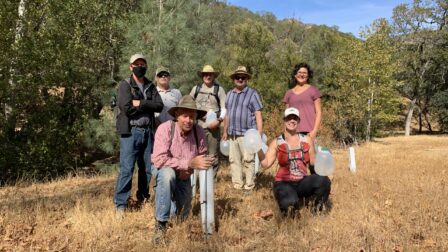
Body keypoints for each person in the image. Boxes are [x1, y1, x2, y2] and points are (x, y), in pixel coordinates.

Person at [151, 95, 214, 241]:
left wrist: (204, 162)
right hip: (165, 169)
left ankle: (169, 200)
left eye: (192, 116)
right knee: (167, 176)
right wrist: (189, 163)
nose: (188, 120)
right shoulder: (165, 129)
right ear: (177, 115)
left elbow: (201, 157)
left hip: (185, 176)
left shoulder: (199, 132)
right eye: (185, 115)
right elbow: (159, 159)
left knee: (181, 217)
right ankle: (160, 224)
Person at [257, 107, 331, 216]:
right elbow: (265, 164)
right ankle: (291, 200)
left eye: (295, 118)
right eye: (289, 118)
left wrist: (324, 157)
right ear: (284, 120)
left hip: (302, 182)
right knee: (290, 208)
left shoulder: (307, 139)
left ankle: (316, 211)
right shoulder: (276, 142)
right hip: (283, 183)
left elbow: (312, 161)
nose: (292, 120)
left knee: (324, 181)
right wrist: (257, 149)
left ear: (298, 121)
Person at [114, 54, 163, 213]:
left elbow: (159, 106)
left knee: (146, 169)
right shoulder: (125, 85)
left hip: (148, 132)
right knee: (127, 169)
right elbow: (126, 107)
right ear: (131, 67)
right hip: (130, 132)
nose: (140, 66)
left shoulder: (150, 85)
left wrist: (140, 103)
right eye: (137, 64)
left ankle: (143, 197)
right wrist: (147, 105)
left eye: (142, 64)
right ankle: (121, 204)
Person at [222, 66, 263, 190]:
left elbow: (258, 114)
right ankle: (237, 185)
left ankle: (249, 186)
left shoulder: (252, 94)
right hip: (232, 134)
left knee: (248, 160)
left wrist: (259, 134)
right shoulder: (229, 94)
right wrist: (225, 131)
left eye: (243, 77)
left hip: (247, 135)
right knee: (234, 161)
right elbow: (227, 114)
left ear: (247, 79)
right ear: (234, 79)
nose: (240, 79)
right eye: (237, 77)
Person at [189, 65, 226, 175]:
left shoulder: (219, 89)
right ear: (202, 76)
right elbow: (189, 104)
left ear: (214, 76)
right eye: (205, 74)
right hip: (197, 126)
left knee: (212, 155)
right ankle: (196, 182)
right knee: (196, 154)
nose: (208, 76)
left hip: (213, 128)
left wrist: (219, 121)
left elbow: (224, 108)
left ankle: (211, 181)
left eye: (210, 74)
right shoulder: (196, 89)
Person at [283, 63, 322, 140]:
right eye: (299, 72)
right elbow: (286, 115)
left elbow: (319, 112)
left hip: (309, 132)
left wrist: (314, 131)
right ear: (295, 75)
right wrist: (285, 132)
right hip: (292, 132)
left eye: (304, 73)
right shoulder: (289, 93)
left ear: (308, 76)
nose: (302, 75)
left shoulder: (313, 90)